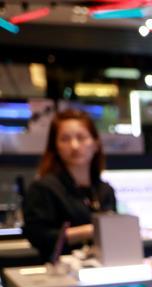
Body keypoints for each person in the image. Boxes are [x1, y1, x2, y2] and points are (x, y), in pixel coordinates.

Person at [23, 109, 116, 261]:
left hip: (102, 270)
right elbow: (38, 236)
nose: (74, 145)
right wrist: (89, 231)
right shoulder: (44, 188)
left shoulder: (105, 190)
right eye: (65, 139)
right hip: (59, 273)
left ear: (96, 143)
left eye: (81, 137)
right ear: (55, 147)